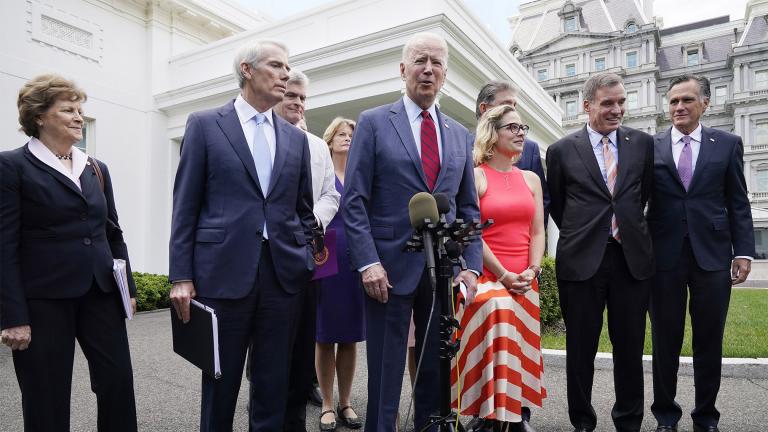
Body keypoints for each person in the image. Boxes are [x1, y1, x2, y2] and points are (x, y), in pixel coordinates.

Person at [168, 40, 315, 431]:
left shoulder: (296, 139)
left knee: (272, 385)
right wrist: (181, 275)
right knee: (220, 384)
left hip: (282, 278)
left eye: (288, 67)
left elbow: (302, 210)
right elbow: (185, 205)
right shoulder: (204, 124)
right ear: (247, 70)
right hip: (221, 274)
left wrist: (304, 259)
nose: (286, 74)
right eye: (276, 66)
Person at [343, 32, 482, 431]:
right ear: (403, 69)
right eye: (420, 61)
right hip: (386, 271)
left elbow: (467, 206)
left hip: (442, 273)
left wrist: (470, 267)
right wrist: (368, 261)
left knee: (436, 374)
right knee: (386, 374)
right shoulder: (372, 123)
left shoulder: (459, 133)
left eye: (436, 63)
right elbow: (355, 201)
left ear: (445, 74)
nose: (428, 69)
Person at [0, 74, 137, 431]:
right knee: (45, 394)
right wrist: (12, 315)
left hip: (101, 293)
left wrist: (129, 290)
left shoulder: (95, 168)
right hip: (43, 300)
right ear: (40, 116)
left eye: (80, 110)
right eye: (68, 110)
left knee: (118, 383)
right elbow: (4, 245)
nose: (79, 117)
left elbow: (113, 232)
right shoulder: (11, 166)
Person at [546, 72, 655, 432]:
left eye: (622, 101)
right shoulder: (561, 150)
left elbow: (644, 195)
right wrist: (586, 233)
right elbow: (559, 206)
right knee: (580, 351)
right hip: (581, 263)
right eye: (608, 103)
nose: (617, 109)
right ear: (587, 105)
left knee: (629, 350)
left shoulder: (642, 143)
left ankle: (628, 422)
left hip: (630, 261)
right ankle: (582, 422)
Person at [648, 75, 754, 432]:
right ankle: (666, 416)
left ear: (705, 103)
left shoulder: (727, 143)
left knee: (709, 340)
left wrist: (744, 253)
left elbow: (738, 201)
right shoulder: (652, 146)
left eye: (688, 100)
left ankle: (706, 417)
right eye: (674, 100)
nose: (679, 107)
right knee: (666, 340)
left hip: (712, 255)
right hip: (663, 258)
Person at [453, 105, 545, 432]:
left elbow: (537, 231)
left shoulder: (531, 179)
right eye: (512, 127)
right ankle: (488, 416)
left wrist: (533, 271)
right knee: (499, 325)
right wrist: (505, 276)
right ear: (493, 132)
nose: (521, 133)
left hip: (524, 279)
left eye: (523, 127)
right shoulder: (476, 176)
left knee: (517, 349)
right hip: (489, 278)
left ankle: (513, 417)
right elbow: (473, 234)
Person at [272, 70, 341, 432]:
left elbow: (331, 193)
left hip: (306, 252)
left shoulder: (316, 146)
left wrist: (309, 221)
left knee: (303, 339)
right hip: (267, 256)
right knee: (268, 346)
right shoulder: (263, 139)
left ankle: (299, 404)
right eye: (291, 96)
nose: (298, 104)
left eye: (303, 98)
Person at [315, 117, 365, 431]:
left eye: (351, 134)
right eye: (341, 134)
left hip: (356, 257)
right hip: (326, 255)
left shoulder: (361, 175)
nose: (347, 138)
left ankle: (346, 402)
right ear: (330, 139)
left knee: (350, 335)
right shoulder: (321, 173)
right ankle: (326, 403)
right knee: (324, 335)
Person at [475, 81, 550, 224]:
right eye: (506, 104)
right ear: (484, 108)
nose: (513, 111)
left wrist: (533, 237)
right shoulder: (463, 146)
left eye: (515, 106)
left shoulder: (529, 148)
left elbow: (543, 201)